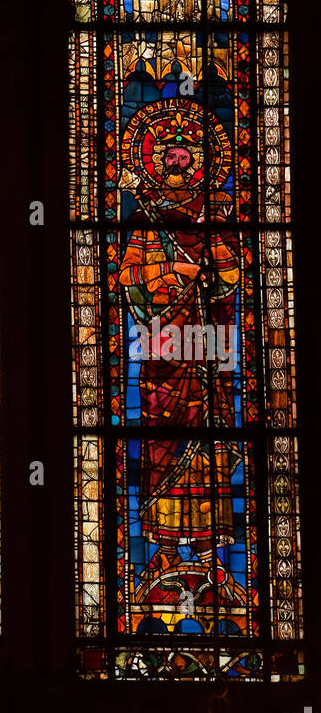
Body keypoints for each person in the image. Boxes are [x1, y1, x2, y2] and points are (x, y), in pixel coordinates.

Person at [118, 106, 241, 584]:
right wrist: (175, 273)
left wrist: (212, 261)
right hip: (163, 346)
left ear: (196, 163)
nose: (176, 162)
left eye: (184, 156)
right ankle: (164, 550)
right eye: (167, 155)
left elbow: (231, 279)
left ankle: (212, 553)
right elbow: (130, 276)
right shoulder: (148, 219)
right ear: (157, 162)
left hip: (208, 345)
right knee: (162, 442)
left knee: (208, 441)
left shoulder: (215, 214)